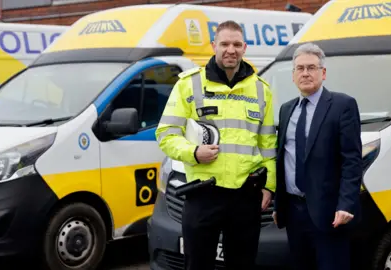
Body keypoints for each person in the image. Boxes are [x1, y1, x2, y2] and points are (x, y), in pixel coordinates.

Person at [155, 20, 277, 270]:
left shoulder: (261, 90)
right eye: (224, 44)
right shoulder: (189, 84)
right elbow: (166, 133)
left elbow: (268, 143)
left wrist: (270, 186)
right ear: (214, 46)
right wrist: (194, 152)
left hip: (246, 194)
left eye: (236, 44)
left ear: (244, 47)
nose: (230, 50)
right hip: (203, 194)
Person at [272, 42, 363, 270]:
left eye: (311, 68)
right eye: (299, 68)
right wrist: (278, 204)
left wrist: (346, 204)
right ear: (293, 76)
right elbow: (283, 159)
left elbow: (352, 160)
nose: (305, 73)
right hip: (293, 212)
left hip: (330, 214)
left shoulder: (343, 105)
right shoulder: (286, 110)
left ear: (323, 73)